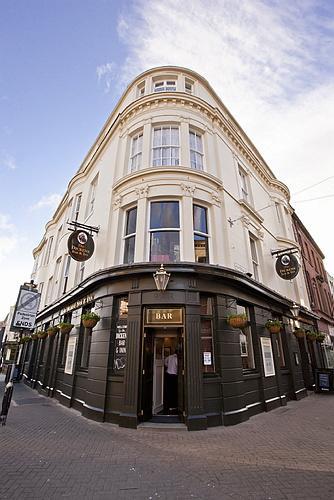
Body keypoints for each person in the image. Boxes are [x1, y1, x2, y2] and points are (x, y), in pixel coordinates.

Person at [164, 349, 178, 413]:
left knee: (169, 390)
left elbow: (165, 362)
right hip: (174, 376)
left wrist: (168, 367)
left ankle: (168, 406)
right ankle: (173, 406)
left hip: (168, 374)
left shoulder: (169, 357)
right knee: (174, 391)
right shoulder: (177, 359)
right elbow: (178, 366)